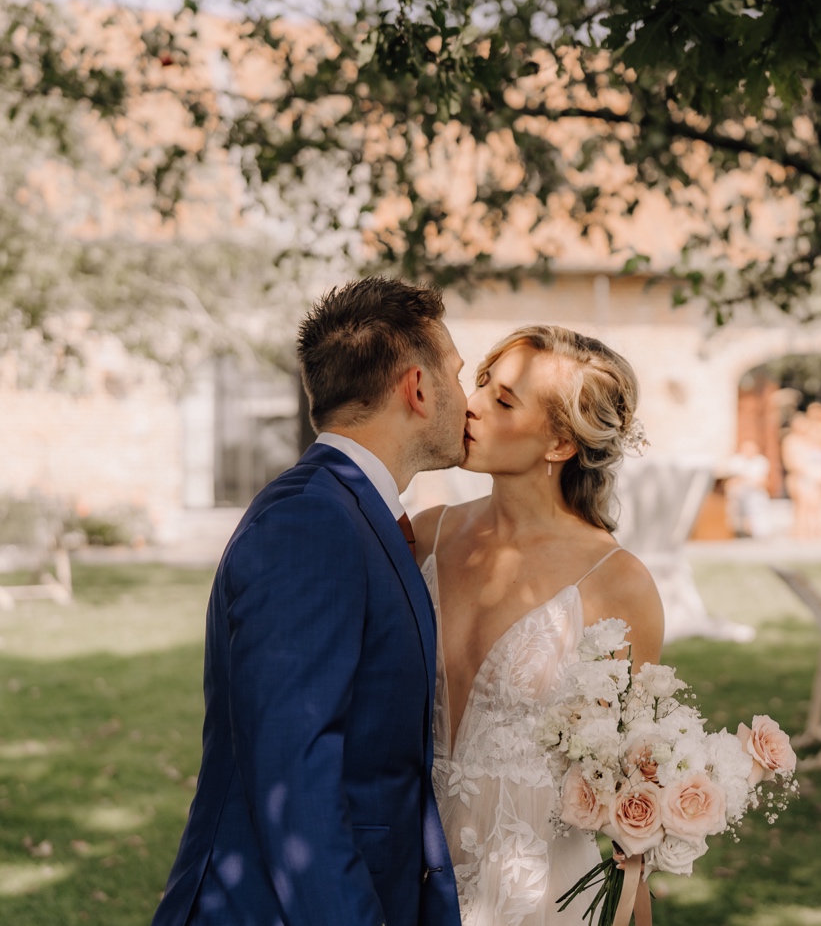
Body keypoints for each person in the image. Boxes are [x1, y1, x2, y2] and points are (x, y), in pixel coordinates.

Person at [153, 278, 468, 926]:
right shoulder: (311, 522)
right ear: (417, 387)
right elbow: (293, 778)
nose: (469, 400)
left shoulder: (354, 512)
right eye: (459, 375)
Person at [411, 325, 664, 926]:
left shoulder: (617, 582)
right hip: (410, 886)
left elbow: (637, 793)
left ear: (559, 443)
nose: (470, 407)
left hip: (541, 899)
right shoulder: (424, 534)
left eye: (503, 402)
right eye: (481, 386)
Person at [724, 439, 773, 538]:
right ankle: (739, 529)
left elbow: (763, 481)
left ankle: (756, 530)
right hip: (738, 492)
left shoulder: (760, 461)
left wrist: (746, 480)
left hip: (754, 492)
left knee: (755, 500)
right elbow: (732, 481)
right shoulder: (735, 461)